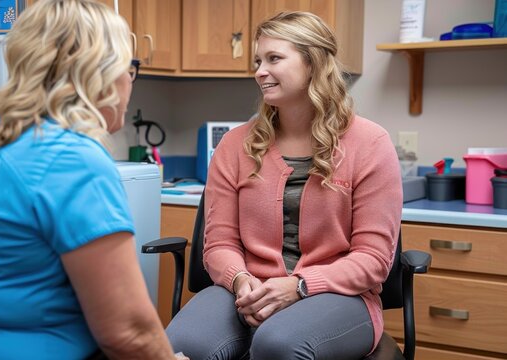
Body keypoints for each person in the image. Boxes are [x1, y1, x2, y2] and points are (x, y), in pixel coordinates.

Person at [0, 1, 179, 359]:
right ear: (99, 74)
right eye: (127, 67)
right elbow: (129, 333)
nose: (130, 80)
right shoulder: (72, 159)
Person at [166, 11, 402, 360]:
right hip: (247, 290)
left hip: (339, 296)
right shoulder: (234, 145)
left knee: (278, 343)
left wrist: (299, 286)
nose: (260, 71)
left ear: (313, 63)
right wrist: (239, 281)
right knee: (177, 345)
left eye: (274, 58)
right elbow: (219, 243)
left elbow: (373, 259)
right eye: (258, 60)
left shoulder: (369, 143)